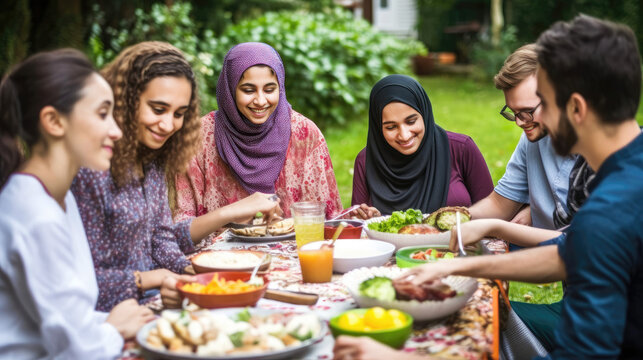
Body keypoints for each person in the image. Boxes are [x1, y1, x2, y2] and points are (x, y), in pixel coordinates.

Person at [335, 14, 643, 359]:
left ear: (576, 108)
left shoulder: (614, 209)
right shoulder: (625, 176)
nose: (529, 122)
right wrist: (453, 266)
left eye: (543, 103)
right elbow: (570, 253)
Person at [71, 41, 281, 312]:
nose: (168, 125)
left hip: (154, 303)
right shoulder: (91, 170)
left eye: (179, 114)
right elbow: (74, 284)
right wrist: (148, 280)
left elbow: (160, 238)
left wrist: (187, 272)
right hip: (107, 318)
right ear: (125, 100)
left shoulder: (151, 158)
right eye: (158, 109)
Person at [0, 49, 154, 358]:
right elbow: (77, 350)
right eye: (102, 114)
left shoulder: (60, 197)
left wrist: (113, 323)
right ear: (54, 121)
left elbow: (65, 320)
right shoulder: (34, 214)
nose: (117, 130)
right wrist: (113, 328)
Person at [174, 42, 342, 222]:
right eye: (248, 90)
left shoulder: (306, 134)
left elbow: (331, 220)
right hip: (218, 250)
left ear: (281, 87)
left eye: (270, 90)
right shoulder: (197, 138)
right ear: (229, 90)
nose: (261, 101)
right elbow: (182, 225)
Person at [468, 44, 579, 230]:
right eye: (513, 112)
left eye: (527, 111)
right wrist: (448, 218)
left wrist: (503, 230)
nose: (520, 122)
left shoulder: (599, 149)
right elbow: (499, 205)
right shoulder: (533, 139)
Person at [350, 74, 493, 217]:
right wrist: (371, 221)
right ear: (378, 127)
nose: (404, 136)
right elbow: (358, 227)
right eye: (391, 127)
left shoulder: (461, 149)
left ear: (424, 113)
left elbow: (493, 214)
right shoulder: (366, 161)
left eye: (411, 121)